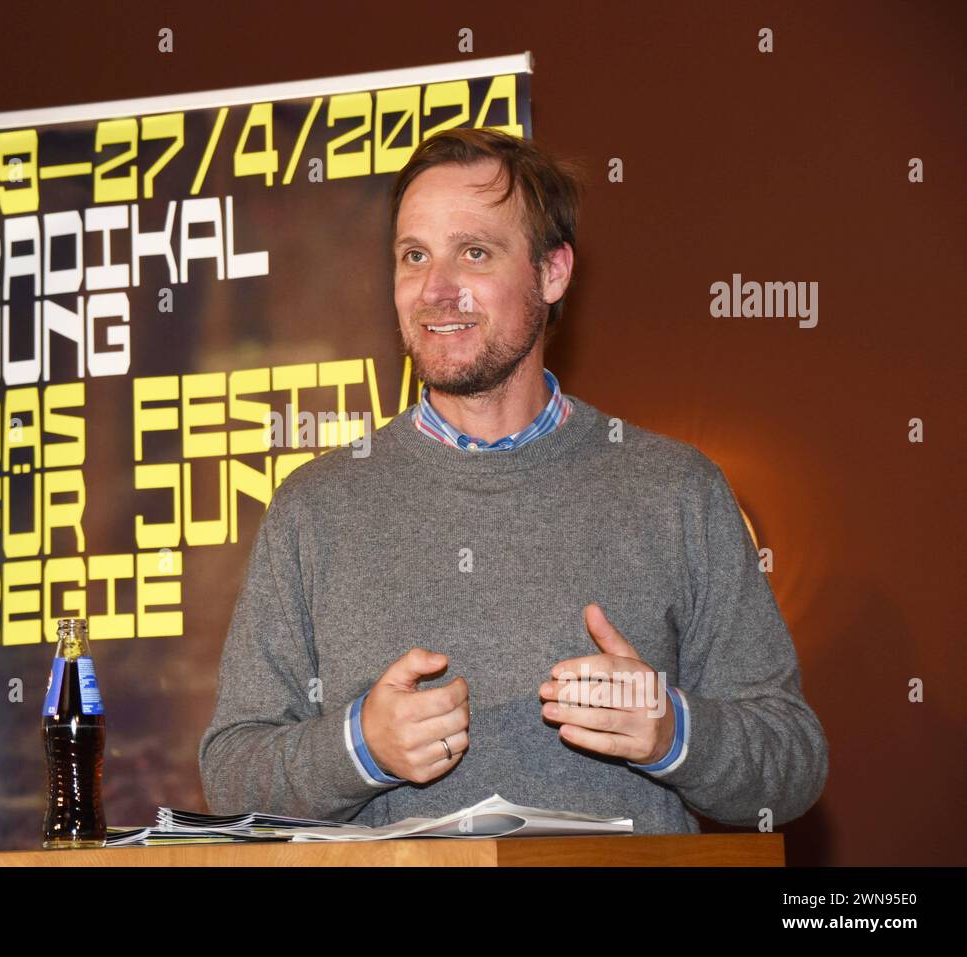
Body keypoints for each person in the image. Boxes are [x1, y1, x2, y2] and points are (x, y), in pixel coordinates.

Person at [197, 127, 829, 834]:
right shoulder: (314, 507)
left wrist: (675, 732)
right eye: (413, 256)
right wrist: (359, 747)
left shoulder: (676, 490)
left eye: (474, 252)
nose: (436, 290)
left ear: (553, 272)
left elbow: (793, 762)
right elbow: (231, 772)